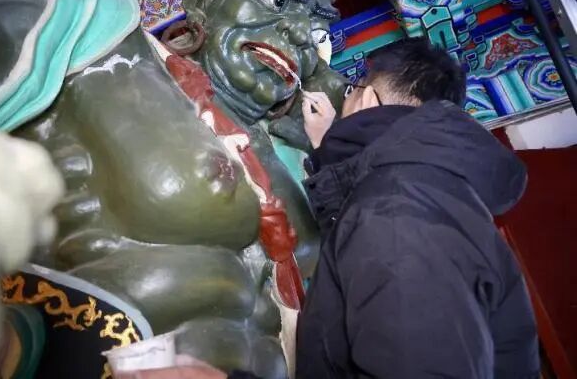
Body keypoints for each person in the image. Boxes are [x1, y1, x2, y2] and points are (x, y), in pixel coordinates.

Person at [126, 37, 540, 379]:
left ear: (368, 99)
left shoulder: (400, 211)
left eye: (351, 90)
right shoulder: (424, 194)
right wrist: (332, 149)